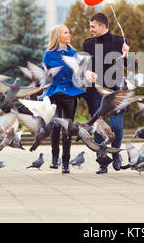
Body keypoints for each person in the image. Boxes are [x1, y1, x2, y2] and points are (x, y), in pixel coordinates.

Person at [41, 24, 96, 174]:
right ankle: (54, 158)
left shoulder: (73, 53)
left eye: (69, 32)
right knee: (56, 125)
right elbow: (43, 75)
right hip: (54, 93)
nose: (69, 34)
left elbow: (81, 71)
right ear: (58, 36)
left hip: (70, 93)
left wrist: (88, 74)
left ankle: (66, 163)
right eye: (66, 32)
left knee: (68, 128)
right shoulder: (48, 54)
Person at [83, 12, 130, 174]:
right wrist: (88, 73)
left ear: (103, 26)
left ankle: (115, 154)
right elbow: (85, 67)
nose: (90, 30)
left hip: (116, 92)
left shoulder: (119, 41)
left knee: (116, 126)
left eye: (92, 26)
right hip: (96, 92)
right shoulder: (88, 44)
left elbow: (129, 65)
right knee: (99, 129)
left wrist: (127, 54)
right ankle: (102, 162)